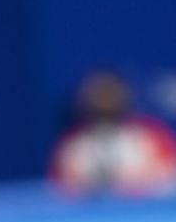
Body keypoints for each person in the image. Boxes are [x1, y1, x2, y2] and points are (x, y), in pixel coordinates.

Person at [48, 69, 176, 196]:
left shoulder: (153, 137)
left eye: (110, 93)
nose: (105, 101)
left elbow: (169, 182)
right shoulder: (71, 147)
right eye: (98, 94)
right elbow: (59, 194)